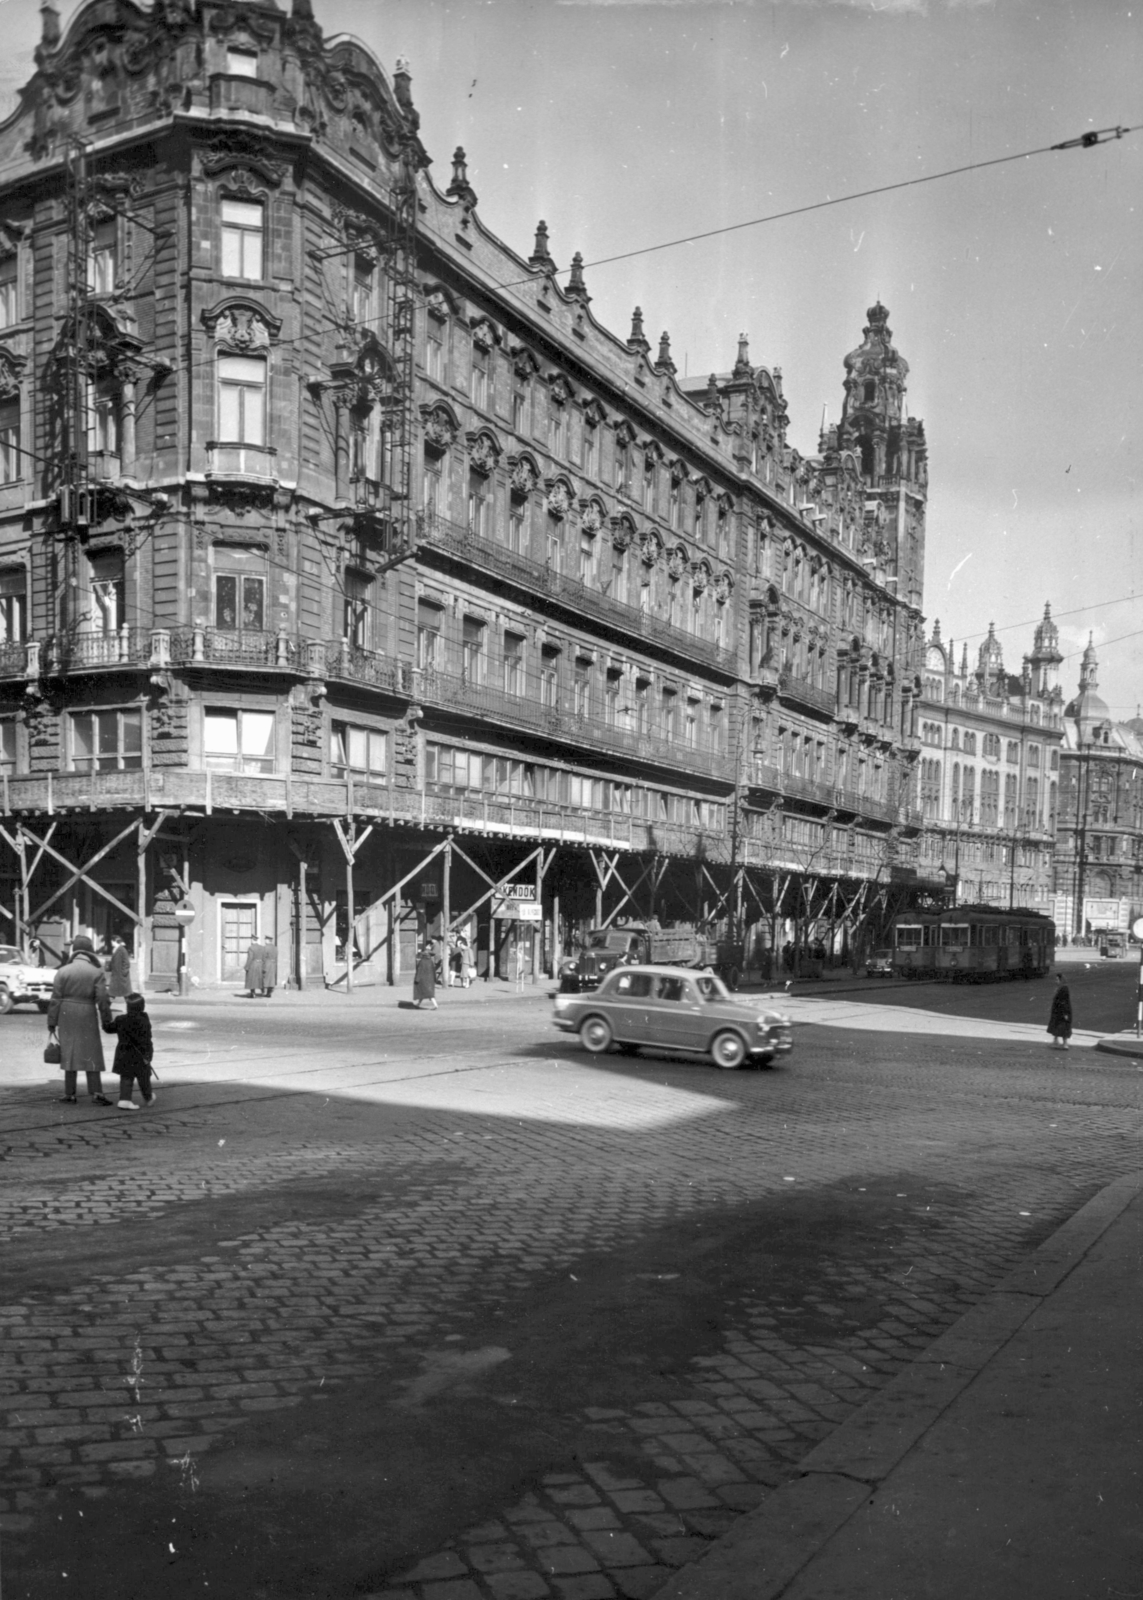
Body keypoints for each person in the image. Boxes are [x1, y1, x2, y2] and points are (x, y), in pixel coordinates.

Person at [47, 934, 113, 1105]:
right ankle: (97, 1093)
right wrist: (106, 1019)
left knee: (69, 1052)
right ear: (90, 952)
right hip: (87, 1013)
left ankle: (69, 1094)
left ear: (75, 951)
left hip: (66, 1014)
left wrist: (52, 1022)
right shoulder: (96, 972)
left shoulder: (62, 971)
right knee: (92, 1053)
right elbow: (103, 999)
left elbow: (55, 999)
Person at [103, 992, 155, 1111]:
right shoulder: (144, 1021)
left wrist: (105, 1016)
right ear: (143, 1007)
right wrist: (148, 1055)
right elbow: (147, 1040)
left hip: (123, 1054)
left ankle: (124, 1100)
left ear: (127, 1007)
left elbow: (108, 1028)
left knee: (126, 1077)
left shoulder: (121, 1019)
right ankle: (148, 1097)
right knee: (144, 1077)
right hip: (140, 1054)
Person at [1047, 972, 1073, 1050]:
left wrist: (1065, 1013)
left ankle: (1065, 1043)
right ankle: (1056, 1041)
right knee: (1057, 1025)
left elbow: (1064, 1001)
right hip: (1058, 1011)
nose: (1056, 981)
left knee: (1063, 1027)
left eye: (1057, 979)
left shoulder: (1064, 988)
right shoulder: (1060, 988)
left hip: (1063, 1011)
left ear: (1061, 980)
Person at [413, 943, 438, 1009]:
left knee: (424, 992)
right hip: (430, 979)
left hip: (422, 980)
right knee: (427, 992)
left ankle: (435, 1005)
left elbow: (419, 971)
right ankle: (418, 1004)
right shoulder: (431, 961)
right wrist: (435, 979)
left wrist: (417, 979)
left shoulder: (421, 962)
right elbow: (433, 971)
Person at [107, 935, 132, 1000]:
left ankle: (132, 1008)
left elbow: (126, 963)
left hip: (121, 976)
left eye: (112, 941)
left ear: (115, 941)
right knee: (112, 994)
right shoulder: (115, 949)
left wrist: (123, 973)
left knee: (126, 995)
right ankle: (105, 1009)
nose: (111, 943)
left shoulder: (122, 950)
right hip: (116, 975)